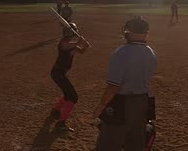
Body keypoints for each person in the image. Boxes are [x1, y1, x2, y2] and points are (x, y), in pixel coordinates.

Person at [93, 16, 157, 151]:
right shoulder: (151, 53)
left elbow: (113, 87)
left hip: (122, 103)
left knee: (107, 144)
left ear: (127, 32)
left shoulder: (121, 53)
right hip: (143, 102)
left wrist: (101, 106)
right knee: (135, 143)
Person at [50, 22, 90, 132]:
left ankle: (55, 111)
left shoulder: (71, 42)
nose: (76, 32)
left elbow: (81, 51)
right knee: (73, 97)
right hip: (58, 73)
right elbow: (68, 44)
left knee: (68, 94)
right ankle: (61, 123)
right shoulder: (64, 42)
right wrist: (80, 40)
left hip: (60, 73)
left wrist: (85, 46)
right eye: (75, 31)